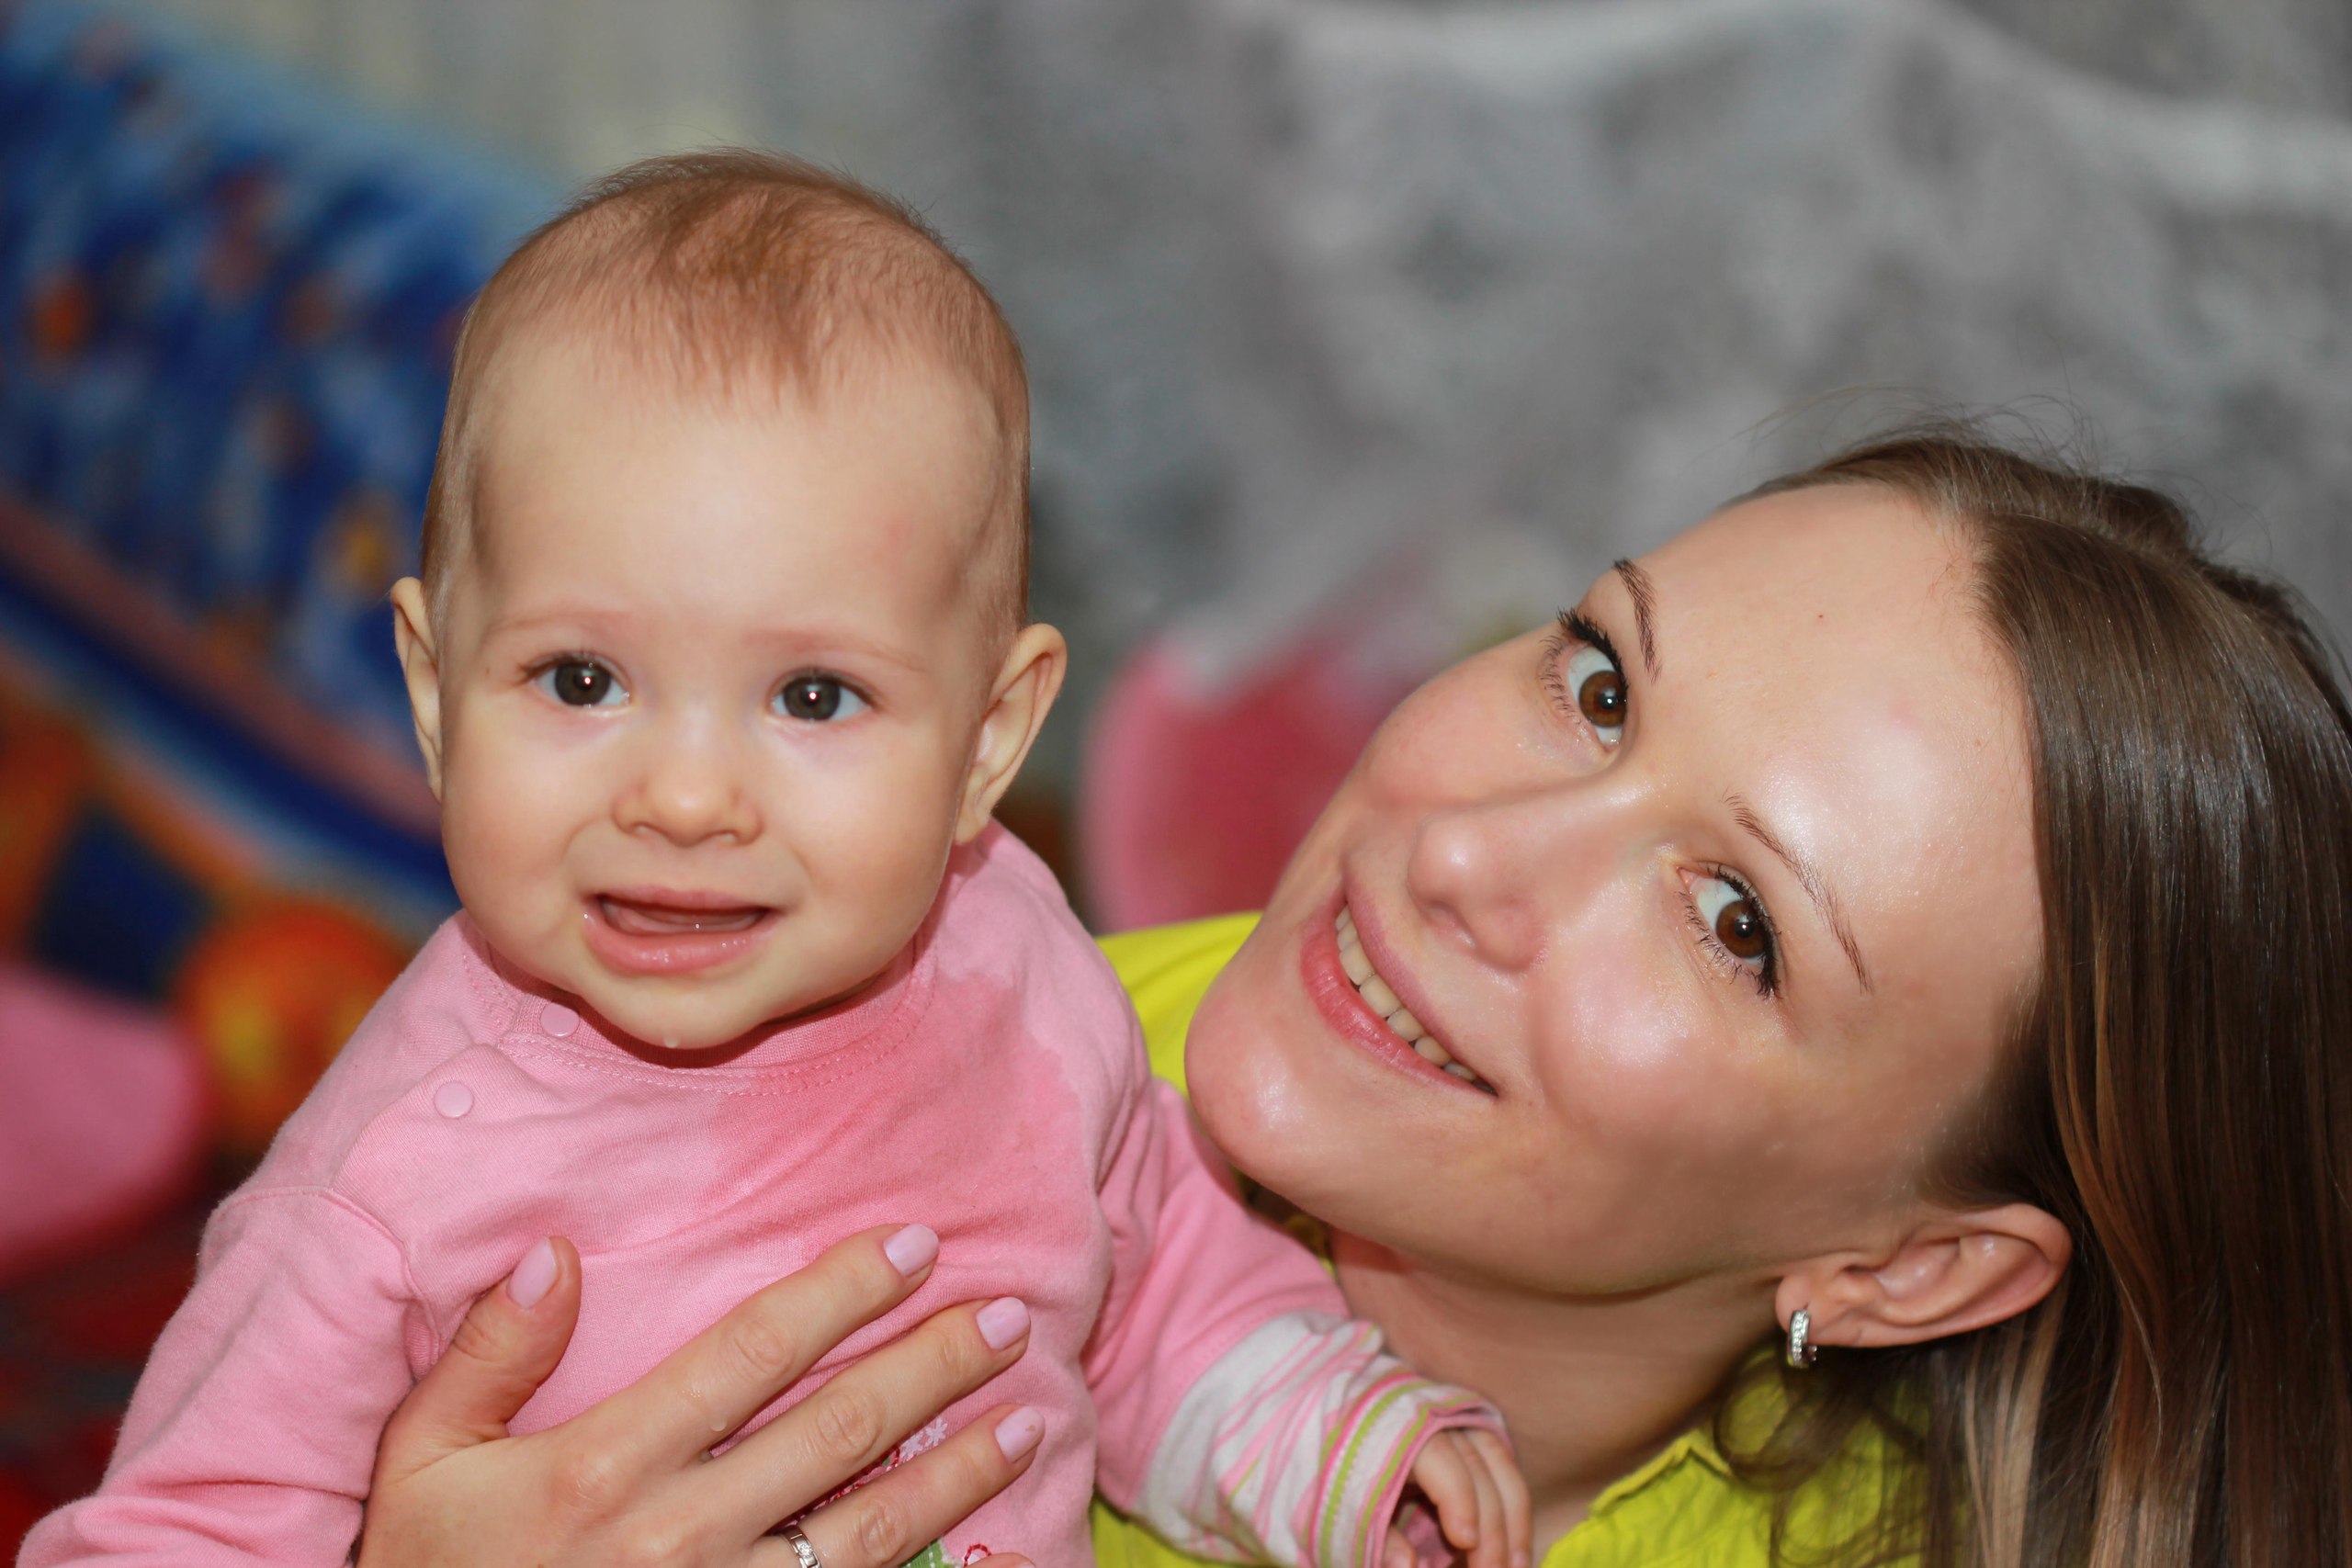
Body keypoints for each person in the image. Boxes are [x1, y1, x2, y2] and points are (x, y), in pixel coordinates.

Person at [349, 428, 2351, 1568]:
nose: (1468, 851)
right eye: (1596, 684)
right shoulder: (793, 1092)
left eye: (1736, 919)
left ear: (1910, 1266)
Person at [20, 152, 1525, 1568]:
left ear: (989, 742)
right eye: (582, 680)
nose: (685, 799)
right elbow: (180, 1532)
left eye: (812, 697)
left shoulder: (1017, 967)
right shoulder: (395, 1169)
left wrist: (1347, 1455)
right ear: (434, 692)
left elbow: (1164, 1299)